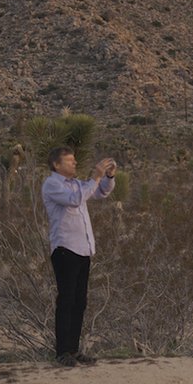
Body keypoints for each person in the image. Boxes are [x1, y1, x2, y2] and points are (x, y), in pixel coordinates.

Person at [40, 143, 116, 363]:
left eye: (74, 160)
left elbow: (101, 192)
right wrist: (94, 177)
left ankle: (73, 349)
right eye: (69, 160)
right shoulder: (52, 184)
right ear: (56, 164)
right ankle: (62, 351)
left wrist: (108, 177)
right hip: (65, 248)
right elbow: (75, 200)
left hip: (83, 248)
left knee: (79, 301)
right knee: (66, 300)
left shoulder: (75, 184)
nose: (74, 163)